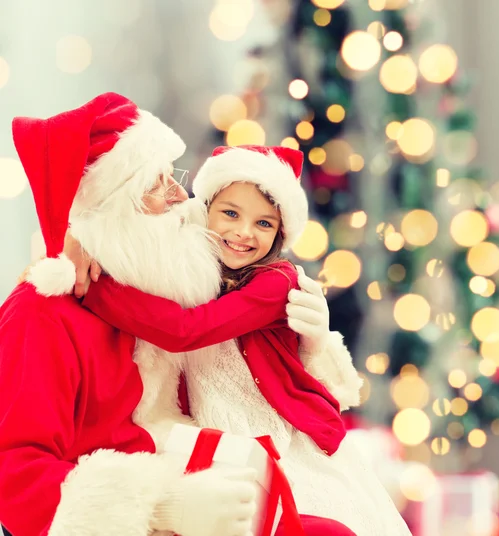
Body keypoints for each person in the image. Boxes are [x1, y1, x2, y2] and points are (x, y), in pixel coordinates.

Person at [0, 93, 342, 536]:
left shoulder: (156, 294)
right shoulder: (43, 312)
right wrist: (161, 508)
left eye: (174, 177)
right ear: (117, 204)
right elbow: (13, 475)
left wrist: (318, 346)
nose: (183, 196)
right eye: (159, 183)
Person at [77, 145, 412, 536]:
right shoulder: (194, 264)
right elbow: (142, 238)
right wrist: (85, 242)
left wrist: (95, 288)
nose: (243, 233)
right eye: (231, 213)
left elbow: (187, 331)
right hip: (217, 436)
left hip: (278, 437)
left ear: (280, 233)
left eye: (264, 223)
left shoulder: (276, 282)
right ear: (205, 210)